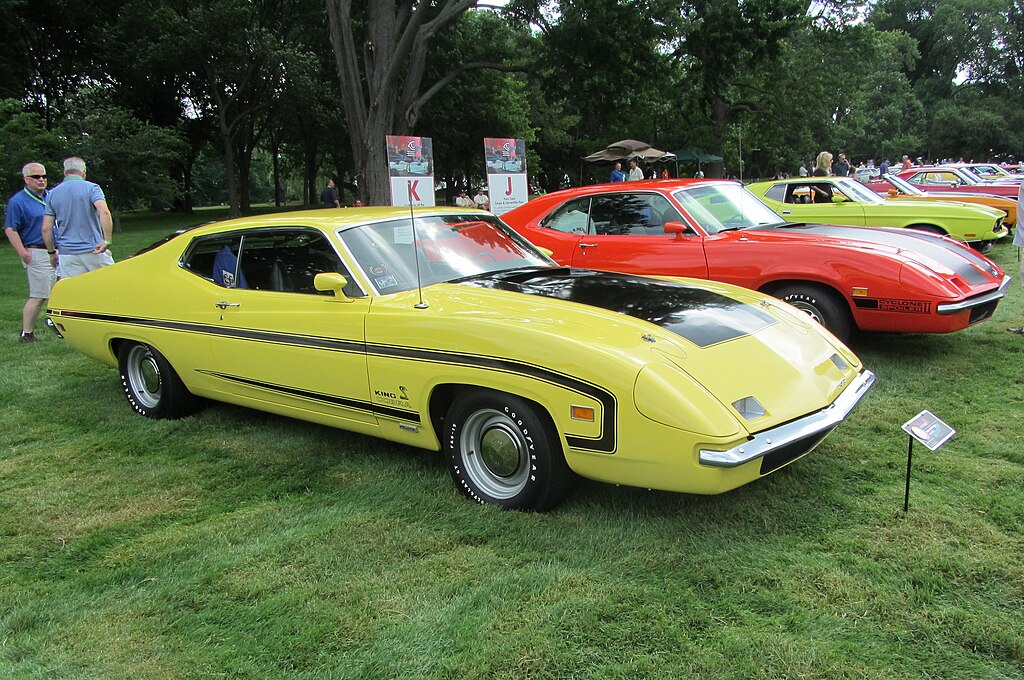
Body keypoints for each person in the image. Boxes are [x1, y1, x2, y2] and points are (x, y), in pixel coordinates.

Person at [4, 162, 54, 343]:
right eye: (36, 177)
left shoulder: (51, 196)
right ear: (26, 179)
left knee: (60, 291)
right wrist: (24, 253)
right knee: (40, 295)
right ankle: (27, 333)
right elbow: (11, 228)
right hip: (36, 250)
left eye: (43, 176)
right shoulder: (18, 201)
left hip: (55, 251)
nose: (41, 180)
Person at [41, 157, 114, 279]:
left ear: (65, 173)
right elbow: (104, 212)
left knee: (76, 293)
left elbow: (46, 228)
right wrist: (107, 240)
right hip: (94, 249)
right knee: (111, 286)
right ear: (84, 172)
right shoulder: (92, 188)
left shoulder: (52, 193)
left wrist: (52, 252)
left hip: (67, 254)